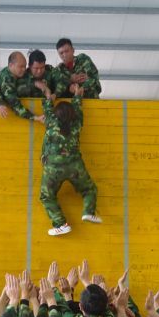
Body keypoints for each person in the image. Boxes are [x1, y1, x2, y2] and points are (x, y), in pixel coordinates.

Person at [38, 83, 101, 236]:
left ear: (56, 114)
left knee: (46, 196)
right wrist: (77, 95)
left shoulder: (51, 121)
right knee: (89, 189)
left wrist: (48, 94)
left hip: (53, 167)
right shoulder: (77, 124)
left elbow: (47, 107)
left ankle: (61, 224)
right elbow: (77, 109)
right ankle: (88, 212)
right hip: (74, 165)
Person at [0, 51, 45, 122]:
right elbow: (15, 105)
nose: (24, 69)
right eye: (21, 66)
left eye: (25, 66)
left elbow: (29, 81)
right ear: (11, 65)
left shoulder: (17, 74)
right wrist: (35, 118)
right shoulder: (7, 79)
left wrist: (36, 84)